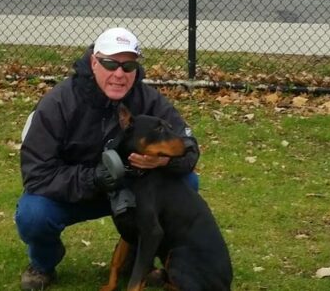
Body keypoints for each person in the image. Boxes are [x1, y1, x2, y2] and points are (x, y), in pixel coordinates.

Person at [15, 27, 200, 290]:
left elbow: (188, 146)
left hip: (130, 192)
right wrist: (94, 178)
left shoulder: (148, 100)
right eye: (110, 64)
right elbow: (37, 174)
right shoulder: (57, 104)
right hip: (76, 192)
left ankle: (137, 255)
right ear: (94, 62)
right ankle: (43, 263)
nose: (119, 74)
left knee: (187, 184)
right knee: (33, 214)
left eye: (128, 66)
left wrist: (165, 162)